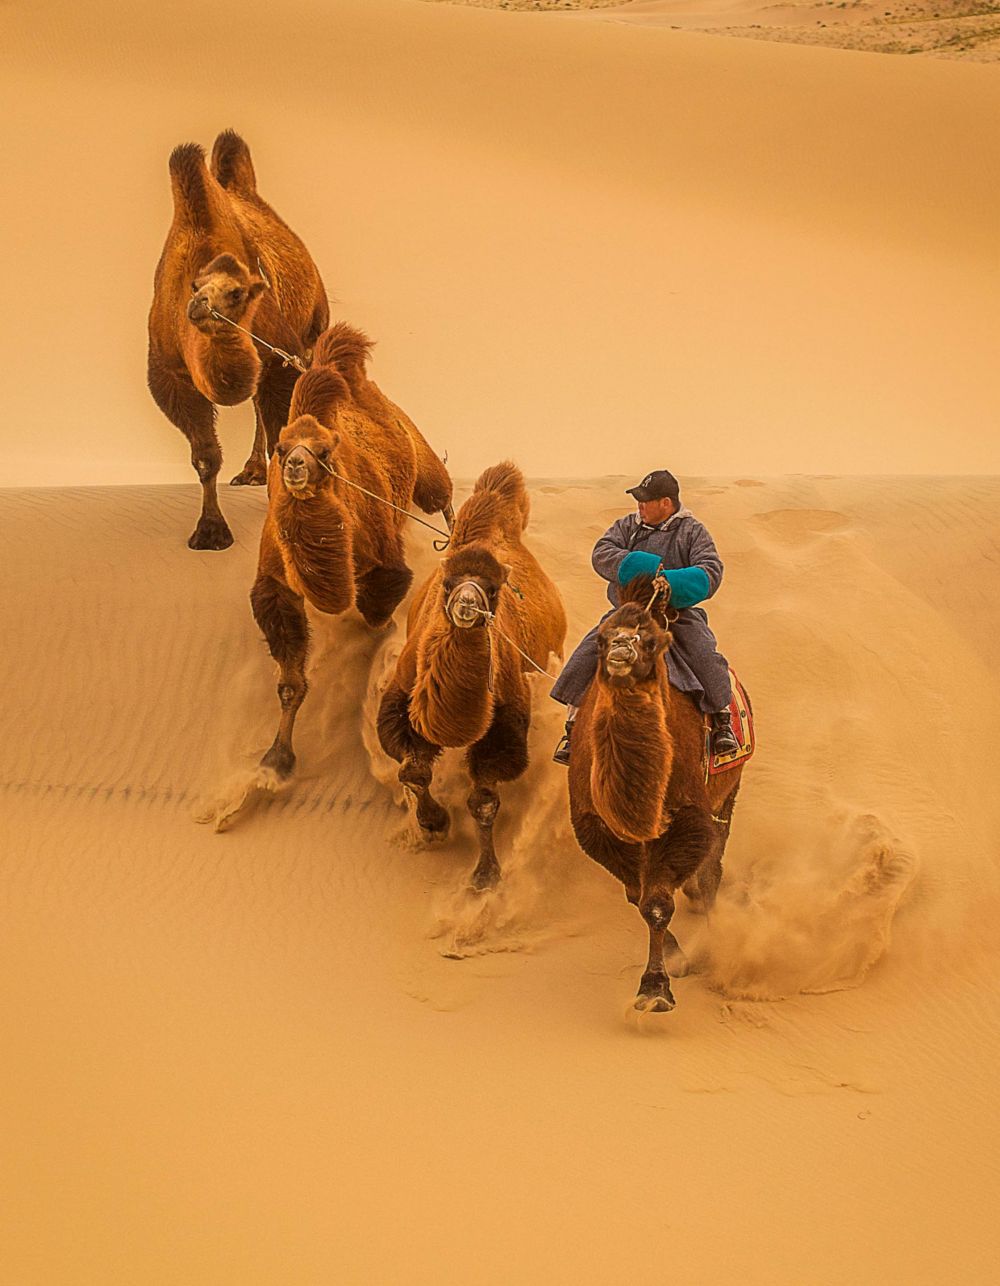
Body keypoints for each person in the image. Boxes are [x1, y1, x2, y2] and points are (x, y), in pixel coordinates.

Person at [551, 468, 739, 765]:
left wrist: (672, 583)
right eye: (638, 500)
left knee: (704, 653)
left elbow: (711, 570)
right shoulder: (628, 527)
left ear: (666, 503)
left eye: (645, 501)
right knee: (589, 651)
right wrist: (647, 568)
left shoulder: (692, 531)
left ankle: (722, 722)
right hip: (627, 613)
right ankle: (573, 728)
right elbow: (602, 552)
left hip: (676, 616)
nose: (639, 506)